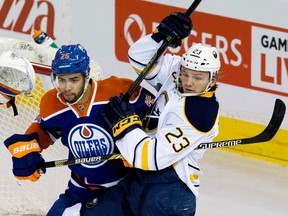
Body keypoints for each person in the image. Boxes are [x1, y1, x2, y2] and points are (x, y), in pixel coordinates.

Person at [82, 11, 221, 215]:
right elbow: (139, 60)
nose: (189, 82)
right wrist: (160, 36)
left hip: (171, 190)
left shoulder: (200, 113)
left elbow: (150, 158)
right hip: (139, 178)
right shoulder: (178, 72)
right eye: (185, 74)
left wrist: (124, 124)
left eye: (198, 77)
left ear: (212, 78)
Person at [4, 44, 155, 215]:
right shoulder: (51, 102)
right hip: (81, 189)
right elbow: (45, 129)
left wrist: (140, 146)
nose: (66, 87)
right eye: (61, 80)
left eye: (74, 80)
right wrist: (28, 147)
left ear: (87, 75)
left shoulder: (119, 90)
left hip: (125, 186)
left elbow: (157, 116)